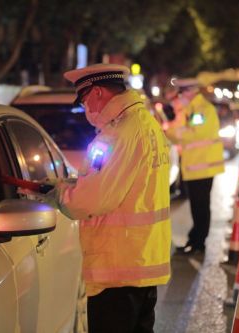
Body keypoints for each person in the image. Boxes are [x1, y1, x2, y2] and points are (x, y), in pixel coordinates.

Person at [32, 64, 171, 333]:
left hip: (118, 267)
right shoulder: (145, 123)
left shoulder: (121, 132)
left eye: (84, 101)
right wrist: (70, 184)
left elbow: (92, 200)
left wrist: (60, 194)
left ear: (96, 92)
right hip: (138, 261)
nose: (86, 109)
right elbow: (119, 185)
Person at [170, 78, 224, 255]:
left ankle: (199, 243)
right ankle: (195, 239)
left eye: (181, 93)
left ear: (191, 92)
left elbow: (192, 134)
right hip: (195, 166)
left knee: (201, 205)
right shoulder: (192, 110)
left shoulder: (202, 110)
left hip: (203, 166)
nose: (180, 97)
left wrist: (171, 132)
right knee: (197, 205)